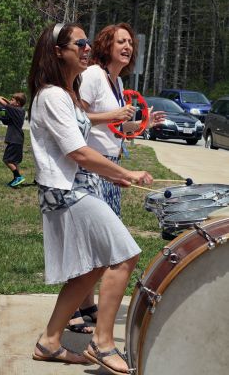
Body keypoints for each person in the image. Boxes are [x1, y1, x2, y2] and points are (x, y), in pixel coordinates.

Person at [28, 21, 154, 374]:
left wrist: (117, 174)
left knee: (97, 262)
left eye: (87, 43)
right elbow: (78, 152)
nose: (86, 48)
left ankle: (50, 342)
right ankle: (101, 343)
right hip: (66, 192)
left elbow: (87, 146)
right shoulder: (52, 95)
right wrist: (123, 172)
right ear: (58, 52)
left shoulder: (67, 94)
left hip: (80, 187)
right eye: (79, 43)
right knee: (125, 253)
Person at [68, 23, 165, 329]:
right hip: (90, 169)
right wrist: (113, 115)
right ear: (107, 45)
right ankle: (72, 311)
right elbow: (77, 119)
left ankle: (86, 306)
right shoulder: (94, 76)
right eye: (121, 41)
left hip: (109, 170)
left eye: (131, 43)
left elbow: (116, 129)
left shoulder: (118, 83)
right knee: (92, 242)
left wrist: (141, 126)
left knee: (96, 244)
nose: (128, 47)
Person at [0, 87, 26, 187]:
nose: (10, 101)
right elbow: (9, 104)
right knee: (14, 161)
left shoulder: (14, 109)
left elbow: (5, 104)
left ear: (17, 103)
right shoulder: (20, 110)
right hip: (18, 139)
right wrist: (5, 98)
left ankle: (18, 177)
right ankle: (17, 180)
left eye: (13, 99)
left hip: (14, 139)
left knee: (7, 160)